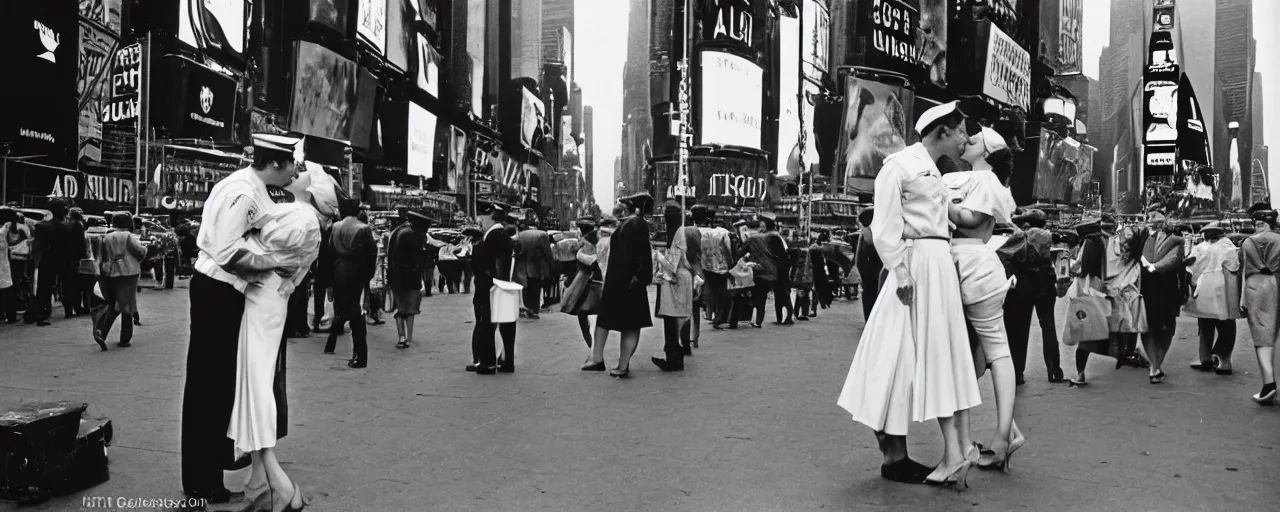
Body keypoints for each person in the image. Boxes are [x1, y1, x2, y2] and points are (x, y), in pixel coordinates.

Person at [836, 101, 982, 487]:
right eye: (962, 130)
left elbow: (957, 218)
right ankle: (896, 452)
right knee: (889, 354)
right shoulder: (898, 166)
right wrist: (899, 270)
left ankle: (899, 453)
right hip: (914, 267)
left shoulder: (936, 171)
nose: (966, 137)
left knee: (920, 356)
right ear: (943, 132)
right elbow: (884, 226)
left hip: (936, 266)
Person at [182, 134, 305, 506]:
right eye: (292, 165)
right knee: (210, 387)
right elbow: (225, 250)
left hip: (225, 292)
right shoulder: (244, 192)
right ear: (276, 164)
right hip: (218, 291)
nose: (295, 172)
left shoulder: (253, 188)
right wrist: (275, 262)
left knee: (219, 385)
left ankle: (208, 473)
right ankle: (203, 482)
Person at [228, 163, 339, 512]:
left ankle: (276, 482)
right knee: (255, 383)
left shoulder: (301, 218)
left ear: (314, 189)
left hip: (263, 298)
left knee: (256, 385)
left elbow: (258, 255)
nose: (297, 170)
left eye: (305, 171)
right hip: (269, 298)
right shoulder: (301, 216)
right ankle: (259, 481)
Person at [942, 127, 1023, 472]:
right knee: (972, 353)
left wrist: (937, 199)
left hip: (974, 264)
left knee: (993, 349)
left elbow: (970, 219)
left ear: (989, 152)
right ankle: (994, 436)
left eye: (975, 140)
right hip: (954, 265)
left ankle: (1002, 435)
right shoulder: (954, 176)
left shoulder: (989, 181)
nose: (968, 141)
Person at [997, 209, 1065, 384]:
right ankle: (1054, 369)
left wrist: (1012, 275)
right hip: (1045, 284)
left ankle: (1017, 372)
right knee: (1048, 327)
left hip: (1023, 287)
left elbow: (1002, 255)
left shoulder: (1021, 237)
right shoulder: (1049, 237)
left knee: (1019, 331)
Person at [591, 193, 655, 377]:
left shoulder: (633, 224)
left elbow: (636, 256)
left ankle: (622, 364)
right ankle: (622, 364)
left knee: (629, 324)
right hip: (628, 282)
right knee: (630, 325)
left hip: (626, 282)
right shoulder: (634, 224)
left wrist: (636, 278)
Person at [324, 200, 378, 367]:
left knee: (344, 308)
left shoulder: (335, 227)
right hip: (356, 271)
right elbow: (371, 254)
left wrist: (329, 279)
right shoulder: (363, 228)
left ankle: (333, 341)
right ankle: (360, 354)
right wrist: (368, 276)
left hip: (339, 270)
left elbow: (329, 253)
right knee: (355, 311)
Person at [1183, 222, 1240, 374]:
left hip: (1204, 289)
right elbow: (1235, 267)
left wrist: (1192, 284)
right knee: (1226, 325)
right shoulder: (1229, 247)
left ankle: (1206, 358)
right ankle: (1222, 358)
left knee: (1205, 324)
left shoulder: (1200, 248)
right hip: (1223, 290)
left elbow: (1191, 268)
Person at [466, 201, 516, 375]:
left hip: (490, 287)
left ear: (493, 216)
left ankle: (487, 362)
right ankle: (504, 361)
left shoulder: (495, 236)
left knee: (486, 324)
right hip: (498, 285)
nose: (480, 220)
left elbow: (488, 264)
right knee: (503, 325)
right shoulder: (497, 235)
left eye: (483, 216)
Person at [653, 206, 701, 372]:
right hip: (677, 279)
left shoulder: (678, 234)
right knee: (672, 318)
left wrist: (658, 256)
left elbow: (673, 265)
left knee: (672, 318)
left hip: (676, 280)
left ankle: (674, 355)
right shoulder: (678, 232)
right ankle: (675, 352)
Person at [1140, 210, 1185, 384]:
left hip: (1163, 287)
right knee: (1151, 328)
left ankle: (1155, 365)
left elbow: (1175, 261)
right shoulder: (1144, 239)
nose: (1155, 227)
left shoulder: (1175, 240)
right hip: (1153, 288)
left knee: (1160, 328)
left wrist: (1152, 267)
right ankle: (1155, 365)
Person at [1241, 206, 1280, 404]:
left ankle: (1268, 384)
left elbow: (1243, 270)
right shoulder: (1279, 239)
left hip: (1257, 287)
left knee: (1263, 336)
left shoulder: (1248, 242)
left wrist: (1241, 301)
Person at [92, 213, 147, 350]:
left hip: (110, 272)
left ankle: (101, 332)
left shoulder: (106, 237)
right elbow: (139, 251)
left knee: (115, 304)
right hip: (128, 272)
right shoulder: (129, 236)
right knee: (127, 305)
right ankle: (124, 338)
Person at [387, 211, 431, 350]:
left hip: (396, 276)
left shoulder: (397, 231)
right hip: (411, 276)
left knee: (400, 307)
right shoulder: (413, 235)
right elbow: (419, 257)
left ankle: (402, 336)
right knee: (411, 308)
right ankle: (409, 337)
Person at [26, 199, 71, 326]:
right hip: (59, 260)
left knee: (43, 287)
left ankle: (41, 312)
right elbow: (66, 247)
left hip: (45, 259)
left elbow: (37, 245)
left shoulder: (42, 226)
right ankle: (65, 309)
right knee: (62, 285)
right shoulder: (64, 228)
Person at [561, 219, 602, 353]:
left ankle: (593, 347)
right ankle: (593, 347)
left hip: (590, 284)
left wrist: (578, 254)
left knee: (584, 313)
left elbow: (589, 262)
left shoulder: (586, 243)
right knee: (587, 314)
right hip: (592, 283)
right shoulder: (594, 241)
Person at [514, 225, 556, 319]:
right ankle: (534, 310)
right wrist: (551, 265)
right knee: (535, 287)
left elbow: (517, 249)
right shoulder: (543, 235)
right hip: (535, 264)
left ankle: (527, 308)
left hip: (522, 265)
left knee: (525, 287)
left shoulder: (521, 235)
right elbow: (547, 253)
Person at [854, 209, 883, 321]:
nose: (861, 231)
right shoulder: (865, 241)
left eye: (863, 227)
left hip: (875, 286)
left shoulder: (881, 245)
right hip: (868, 284)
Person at [0, 208, 28, 324]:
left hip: (3, 264)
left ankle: (7, 315)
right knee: (7, 293)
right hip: (5, 264)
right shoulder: (13, 228)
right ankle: (10, 315)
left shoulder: (4, 229)